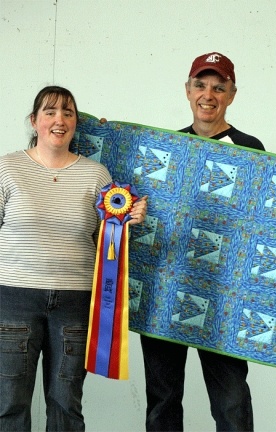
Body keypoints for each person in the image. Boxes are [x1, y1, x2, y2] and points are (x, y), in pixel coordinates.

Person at [0, 85, 147, 432]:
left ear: (76, 124)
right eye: (50, 112)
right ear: (34, 121)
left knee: (67, 405)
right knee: (9, 403)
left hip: (74, 303)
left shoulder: (97, 175)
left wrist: (129, 223)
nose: (59, 120)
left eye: (67, 112)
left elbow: (106, 243)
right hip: (13, 299)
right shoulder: (7, 168)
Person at [140, 52, 265, 432]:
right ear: (187, 90)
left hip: (224, 296)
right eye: (200, 84)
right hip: (167, 292)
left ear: (231, 94)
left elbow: (263, 226)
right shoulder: (167, 151)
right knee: (162, 402)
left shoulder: (251, 149)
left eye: (218, 87)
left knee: (231, 404)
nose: (207, 94)